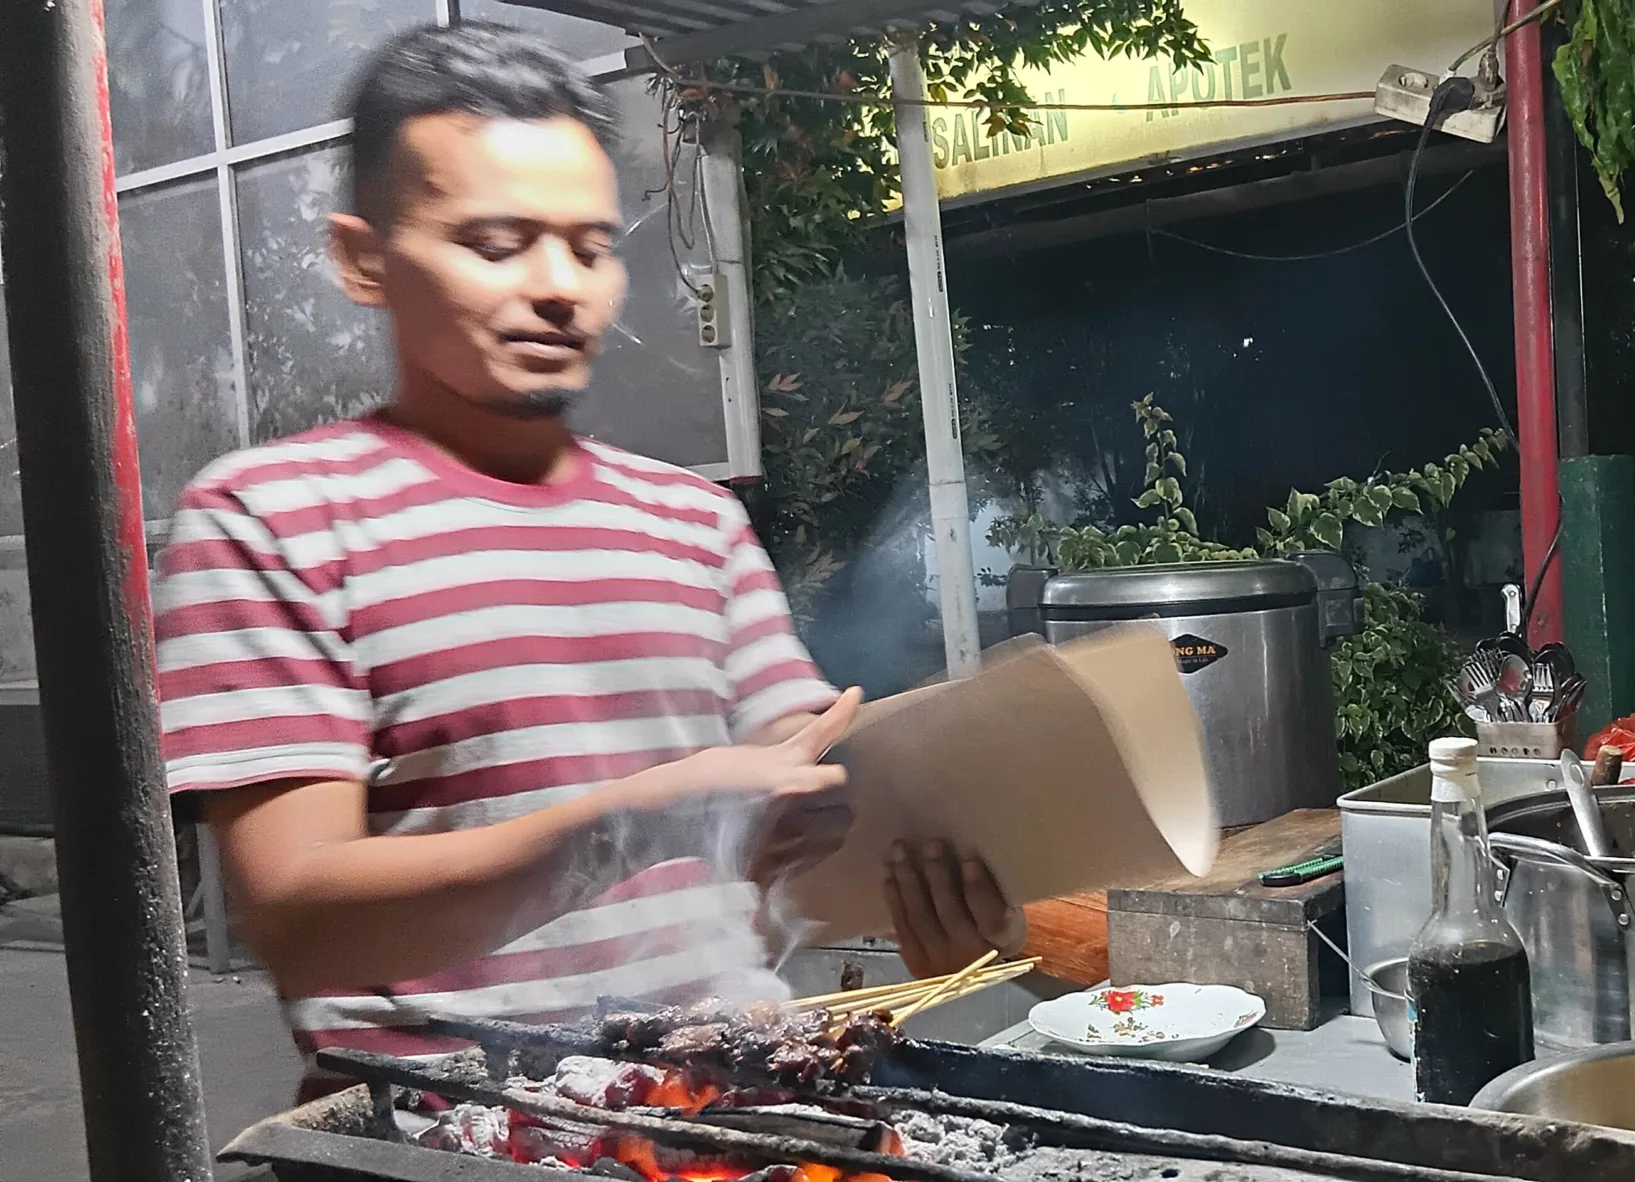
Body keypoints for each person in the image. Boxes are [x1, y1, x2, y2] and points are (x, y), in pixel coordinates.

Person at [151, 22, 1018, 1087]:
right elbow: (300, 923)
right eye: (495, 242)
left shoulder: (693, 520)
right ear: (363, 259)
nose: (560, 286)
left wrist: (932, 886)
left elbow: (801, 811)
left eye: (591, 247)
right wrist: (642, 822)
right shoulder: (273, 518)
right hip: (447, 1128)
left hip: (716, 1106)